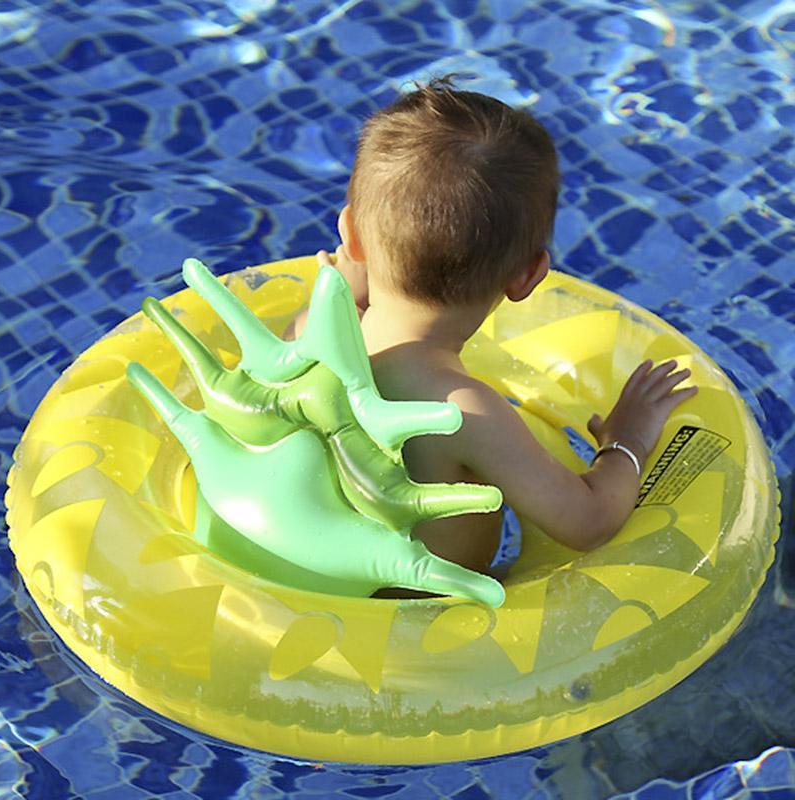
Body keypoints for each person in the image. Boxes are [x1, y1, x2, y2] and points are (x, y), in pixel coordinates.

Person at [285, 77, 697, 586]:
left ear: (351, 235)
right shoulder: (463, 411)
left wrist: (343, 299)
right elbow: (588, 524)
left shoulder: (308, 333)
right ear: (529, 276)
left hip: (319, 590)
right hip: (420, 618)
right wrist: (626, 442)